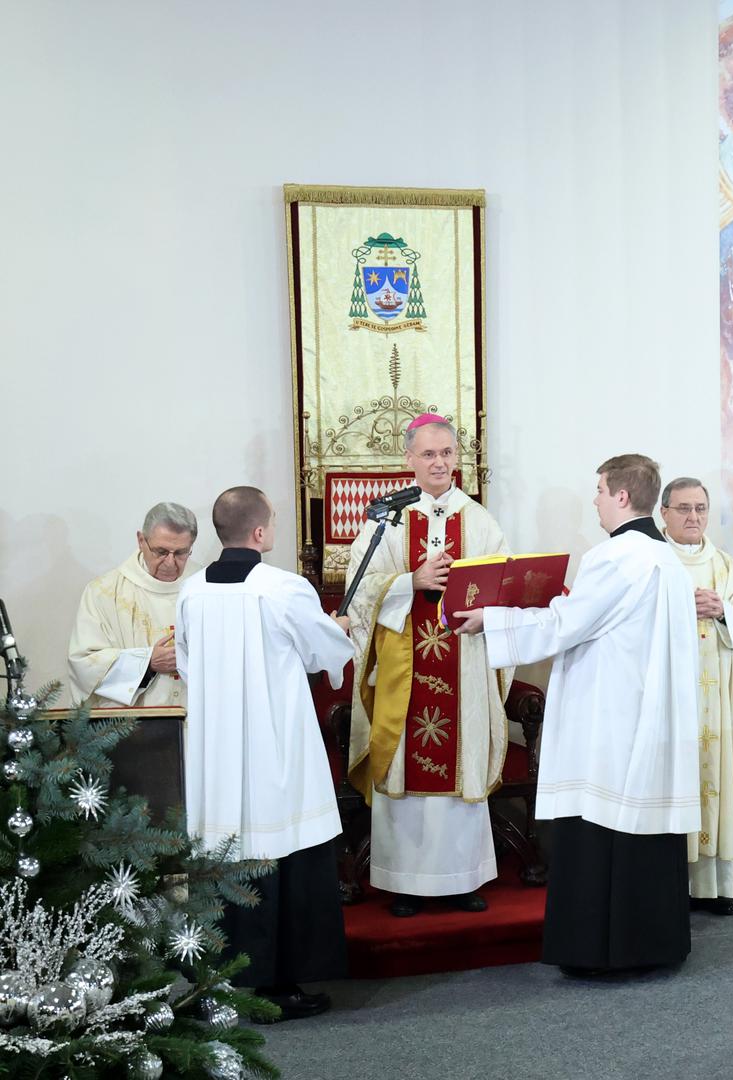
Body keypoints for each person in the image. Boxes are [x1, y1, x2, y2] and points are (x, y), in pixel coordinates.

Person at [454, 454, 699, 976]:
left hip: (610, 720)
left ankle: (598, 952)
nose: (595, 501)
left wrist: (492, 619)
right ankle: (652, 946)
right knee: (642, 832)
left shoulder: (616, 558)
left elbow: (567, 624)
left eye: (600, 491)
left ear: (622, 497)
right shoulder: (670, 560)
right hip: (650, 718)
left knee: (601, 827)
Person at [176, 486, 352, 1020]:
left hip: (218, 750)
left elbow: (186, 662)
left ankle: (223, 978)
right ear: (259, 532)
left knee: (230, 850)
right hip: (275, 746)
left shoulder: (191, 591)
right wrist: (339, 628)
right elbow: (325, 651)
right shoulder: (283, 587)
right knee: (287, 849)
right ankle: (282, 985)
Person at [344, 414, 510, 917]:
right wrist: (408, 582)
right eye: (428, 454)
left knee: (461, 765)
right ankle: (404, 882)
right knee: (403, 767)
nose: (439, 463)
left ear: (457, 458)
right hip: (404, 669)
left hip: (465, 661)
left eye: (447, 454)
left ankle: (462, 877)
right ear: (409, 459)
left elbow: (503, 583)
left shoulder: (479, 520)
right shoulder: (386, 519)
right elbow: (358, 591)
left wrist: (488, 608)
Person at [659, 476, 733, 916]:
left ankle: (716, 886)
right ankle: (673, 885)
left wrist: (724, 611)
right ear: (664, 513)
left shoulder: (726, 566)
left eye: (701, 508)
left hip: (720, 696)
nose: (693, 517)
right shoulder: (654, 563)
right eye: (684, 508)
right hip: (674, 700)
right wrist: (680, 610)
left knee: (716, 778)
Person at [68, 502, 199, 708]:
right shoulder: (104, 592)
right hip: (134, 729)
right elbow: (83, 663)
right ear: (141, 540)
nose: (170, 562)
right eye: (161, 552)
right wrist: (147, 662)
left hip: (196, 722)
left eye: (181, 553)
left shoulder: (206, 588)